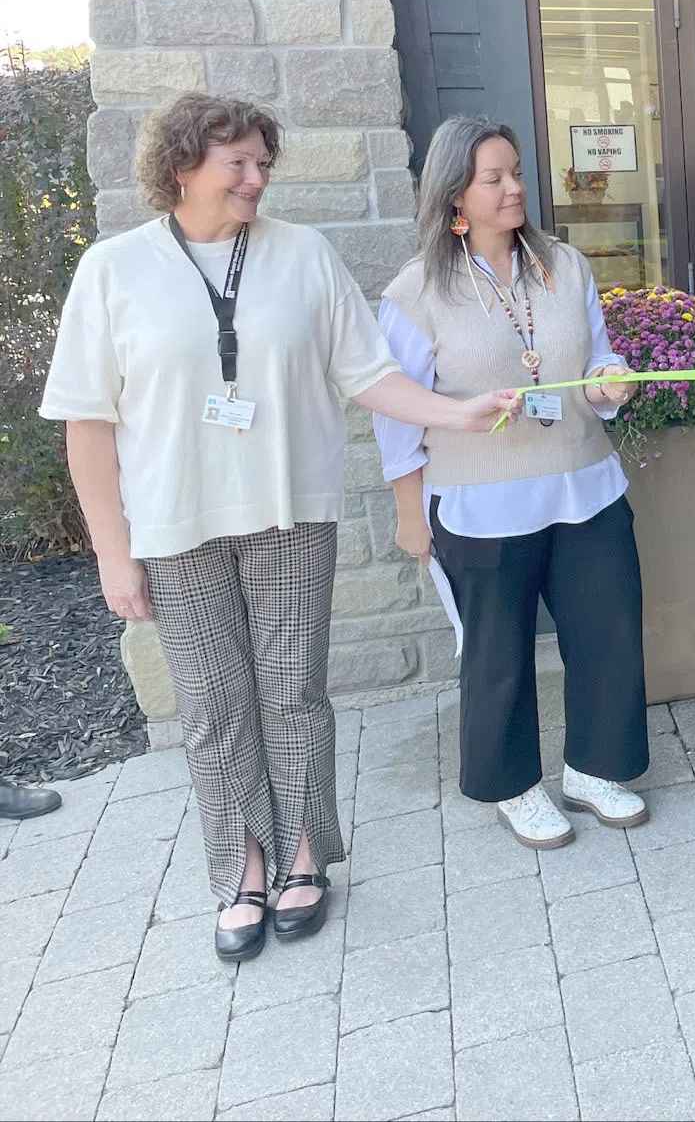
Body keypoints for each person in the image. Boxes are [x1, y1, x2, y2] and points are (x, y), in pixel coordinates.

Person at [40, 94, 519, 962]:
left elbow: (369, 375)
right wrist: (114, 552)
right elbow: (87, 426)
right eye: (239, 164)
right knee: (215, 707)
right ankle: (241, 866)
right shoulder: (113, 271)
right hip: (177, 527)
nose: (258, 178)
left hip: (292, 514)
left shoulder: (304, 256)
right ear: (182, 166)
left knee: (294, 693)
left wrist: (455, 412)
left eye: (265, 162)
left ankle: (304, 854)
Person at [374, 118, 650, 851]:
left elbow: (596, 364)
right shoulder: (416, 293)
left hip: (585, 486)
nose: (514, 188)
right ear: (454, 192)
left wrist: (609, 381)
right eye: (493, 177)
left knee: (609, 631)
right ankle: (513, 784)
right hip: (480, 503)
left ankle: (596, 767)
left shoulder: (563, 264)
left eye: (517, 172)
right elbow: (397, 415)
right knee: (498, 650)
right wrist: (411, 513)